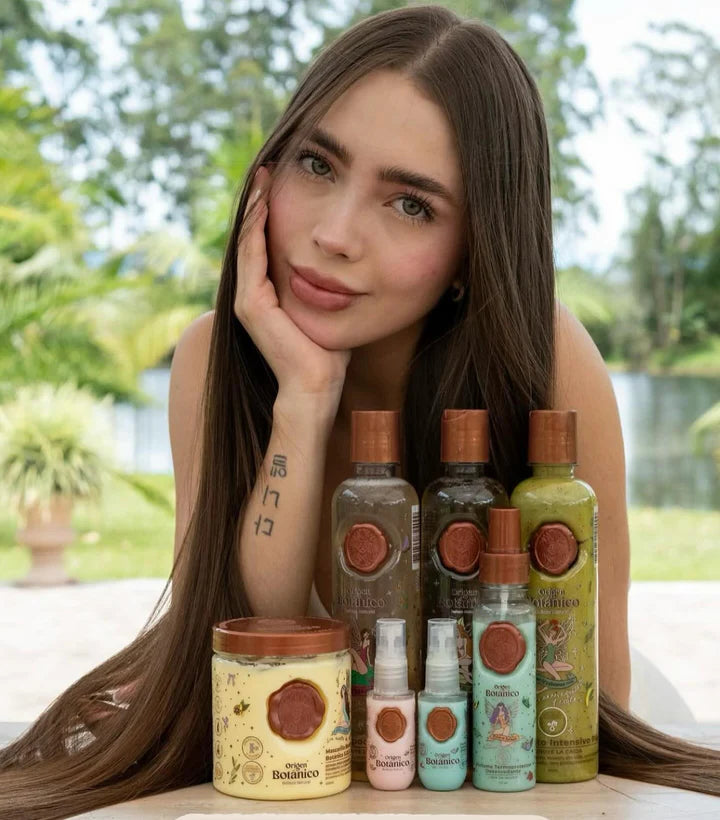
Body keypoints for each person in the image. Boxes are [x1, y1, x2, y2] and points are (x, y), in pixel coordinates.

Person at [1, 6, 718, 819]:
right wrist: (305, 401)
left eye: (411, 205)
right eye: (317, 164)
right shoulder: (213, 358)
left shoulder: (547, 357)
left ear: (473, 252)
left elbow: (593, 706)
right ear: (267, 172)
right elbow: (252, 644)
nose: (335, 234)